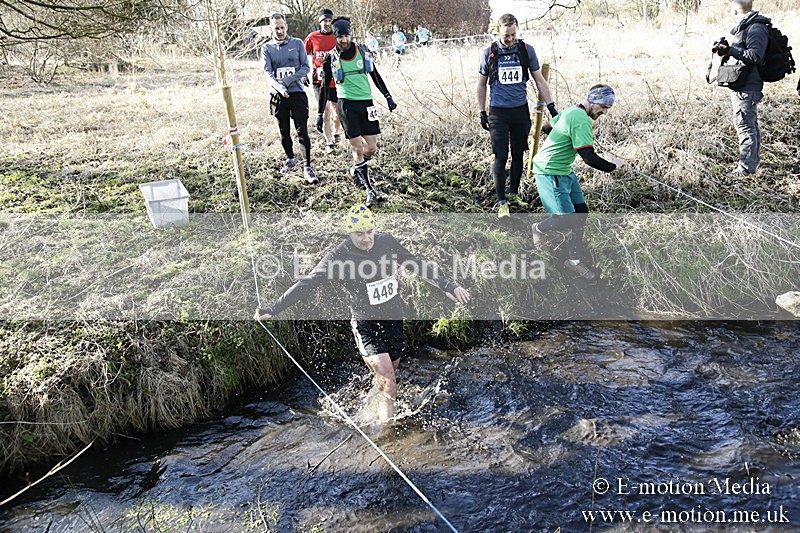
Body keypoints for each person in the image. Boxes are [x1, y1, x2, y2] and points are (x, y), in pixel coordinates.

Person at [254, 204, 470, 421]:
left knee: (389, 375)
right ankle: (388, 434)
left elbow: (416, 264)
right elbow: (307, 283)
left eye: (370, 232)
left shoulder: (386, 241)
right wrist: (273, 309)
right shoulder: (339, 255)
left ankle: (372, 408)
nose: (367, 239)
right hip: (366, 324)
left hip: (393, 318)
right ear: (349, 233)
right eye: (359, 234)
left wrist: (448, 286)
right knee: (387, 378)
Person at [531, 85, 626, 281]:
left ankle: (573, 261)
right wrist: (613, 166)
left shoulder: (572, 110)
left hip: (564, 170)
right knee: (566, 219)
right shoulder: (581, 120)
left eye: (608, 108)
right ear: (592, 100)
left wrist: (567, 135)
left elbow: (547, 128)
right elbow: (589, 158)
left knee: (581, 213)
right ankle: (538, 229)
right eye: (603, 106)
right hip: (550, 171)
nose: (604, 112)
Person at [476, 13, 558, 218]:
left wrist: (552, 107)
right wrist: (482, 112)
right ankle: (501, 201)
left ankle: (513, 194)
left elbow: (539, 80)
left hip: (520, 110)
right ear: (498, 32)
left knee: (518, 154)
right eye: (506, 36)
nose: (510, 39)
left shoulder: (526, 50)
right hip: (498, 112)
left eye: (513, 34)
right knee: (501, 155)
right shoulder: (489, 52)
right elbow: (481, 84)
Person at [317, 18, 398, 207]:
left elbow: (375, 75)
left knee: (371, 148)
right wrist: (320, 114)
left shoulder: (363, 51)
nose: (343, 40)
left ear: (350, 35)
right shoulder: (331, 57)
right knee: (357, 148)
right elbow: (324, 88)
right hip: (346, 106)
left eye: (346, 36)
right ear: (335, 37)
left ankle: (356, 168)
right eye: (340, 37)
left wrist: (388, 96)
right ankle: (369, 190)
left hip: (366, 104)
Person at [713, 0, 769, 176]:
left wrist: (731, 51)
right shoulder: (747, 26)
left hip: (748, 86)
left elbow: (754, 55)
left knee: (745, 126)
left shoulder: (756, 27)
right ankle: (751, 163)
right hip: (741, 83)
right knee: (749, 124)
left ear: (736, 10)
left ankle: (745, 169)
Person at [262, 13, 317, 183]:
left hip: (297, 93)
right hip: (278, 96)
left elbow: (305, 67)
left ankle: (307, 166)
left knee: (302, 130)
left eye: (281, 27)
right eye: (276, 28)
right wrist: (279, 87)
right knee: (284, 131)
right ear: (272, 29)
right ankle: (290, 159)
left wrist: (286, 81)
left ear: (286, 26)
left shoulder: (297, 43)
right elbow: (267, 73)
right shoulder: (267, 48)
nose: (279, 31)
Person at [305, 8, 344, 154]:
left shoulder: (337, 36)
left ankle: (336, 132)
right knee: (325, 111)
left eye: (329, 21)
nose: (327, 24)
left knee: (338, 112)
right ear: (320, 22)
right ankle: (329, 142)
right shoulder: (312, 37)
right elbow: (303, 54)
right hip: (319, 81)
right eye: (324, 21)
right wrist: (305, 73)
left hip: (337, 80)